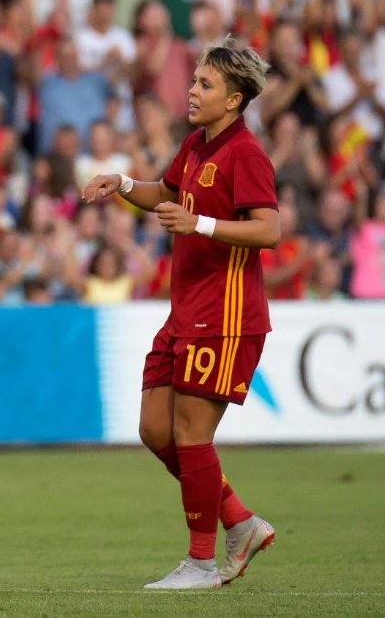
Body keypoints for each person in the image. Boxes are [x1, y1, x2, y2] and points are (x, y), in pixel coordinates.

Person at [82, 37, 279, 589]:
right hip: (185, 312)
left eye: (205, 85)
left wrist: (204, 226)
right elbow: (164, 191)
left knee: (192, 436)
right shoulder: (195, 144)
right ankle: (239, 522)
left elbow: (270, 229)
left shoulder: (247, 153)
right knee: (154, 429)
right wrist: (120, 182)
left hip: (226, 315)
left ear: (235, 99)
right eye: (193, 81)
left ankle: (201, 563)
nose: (191, 91)